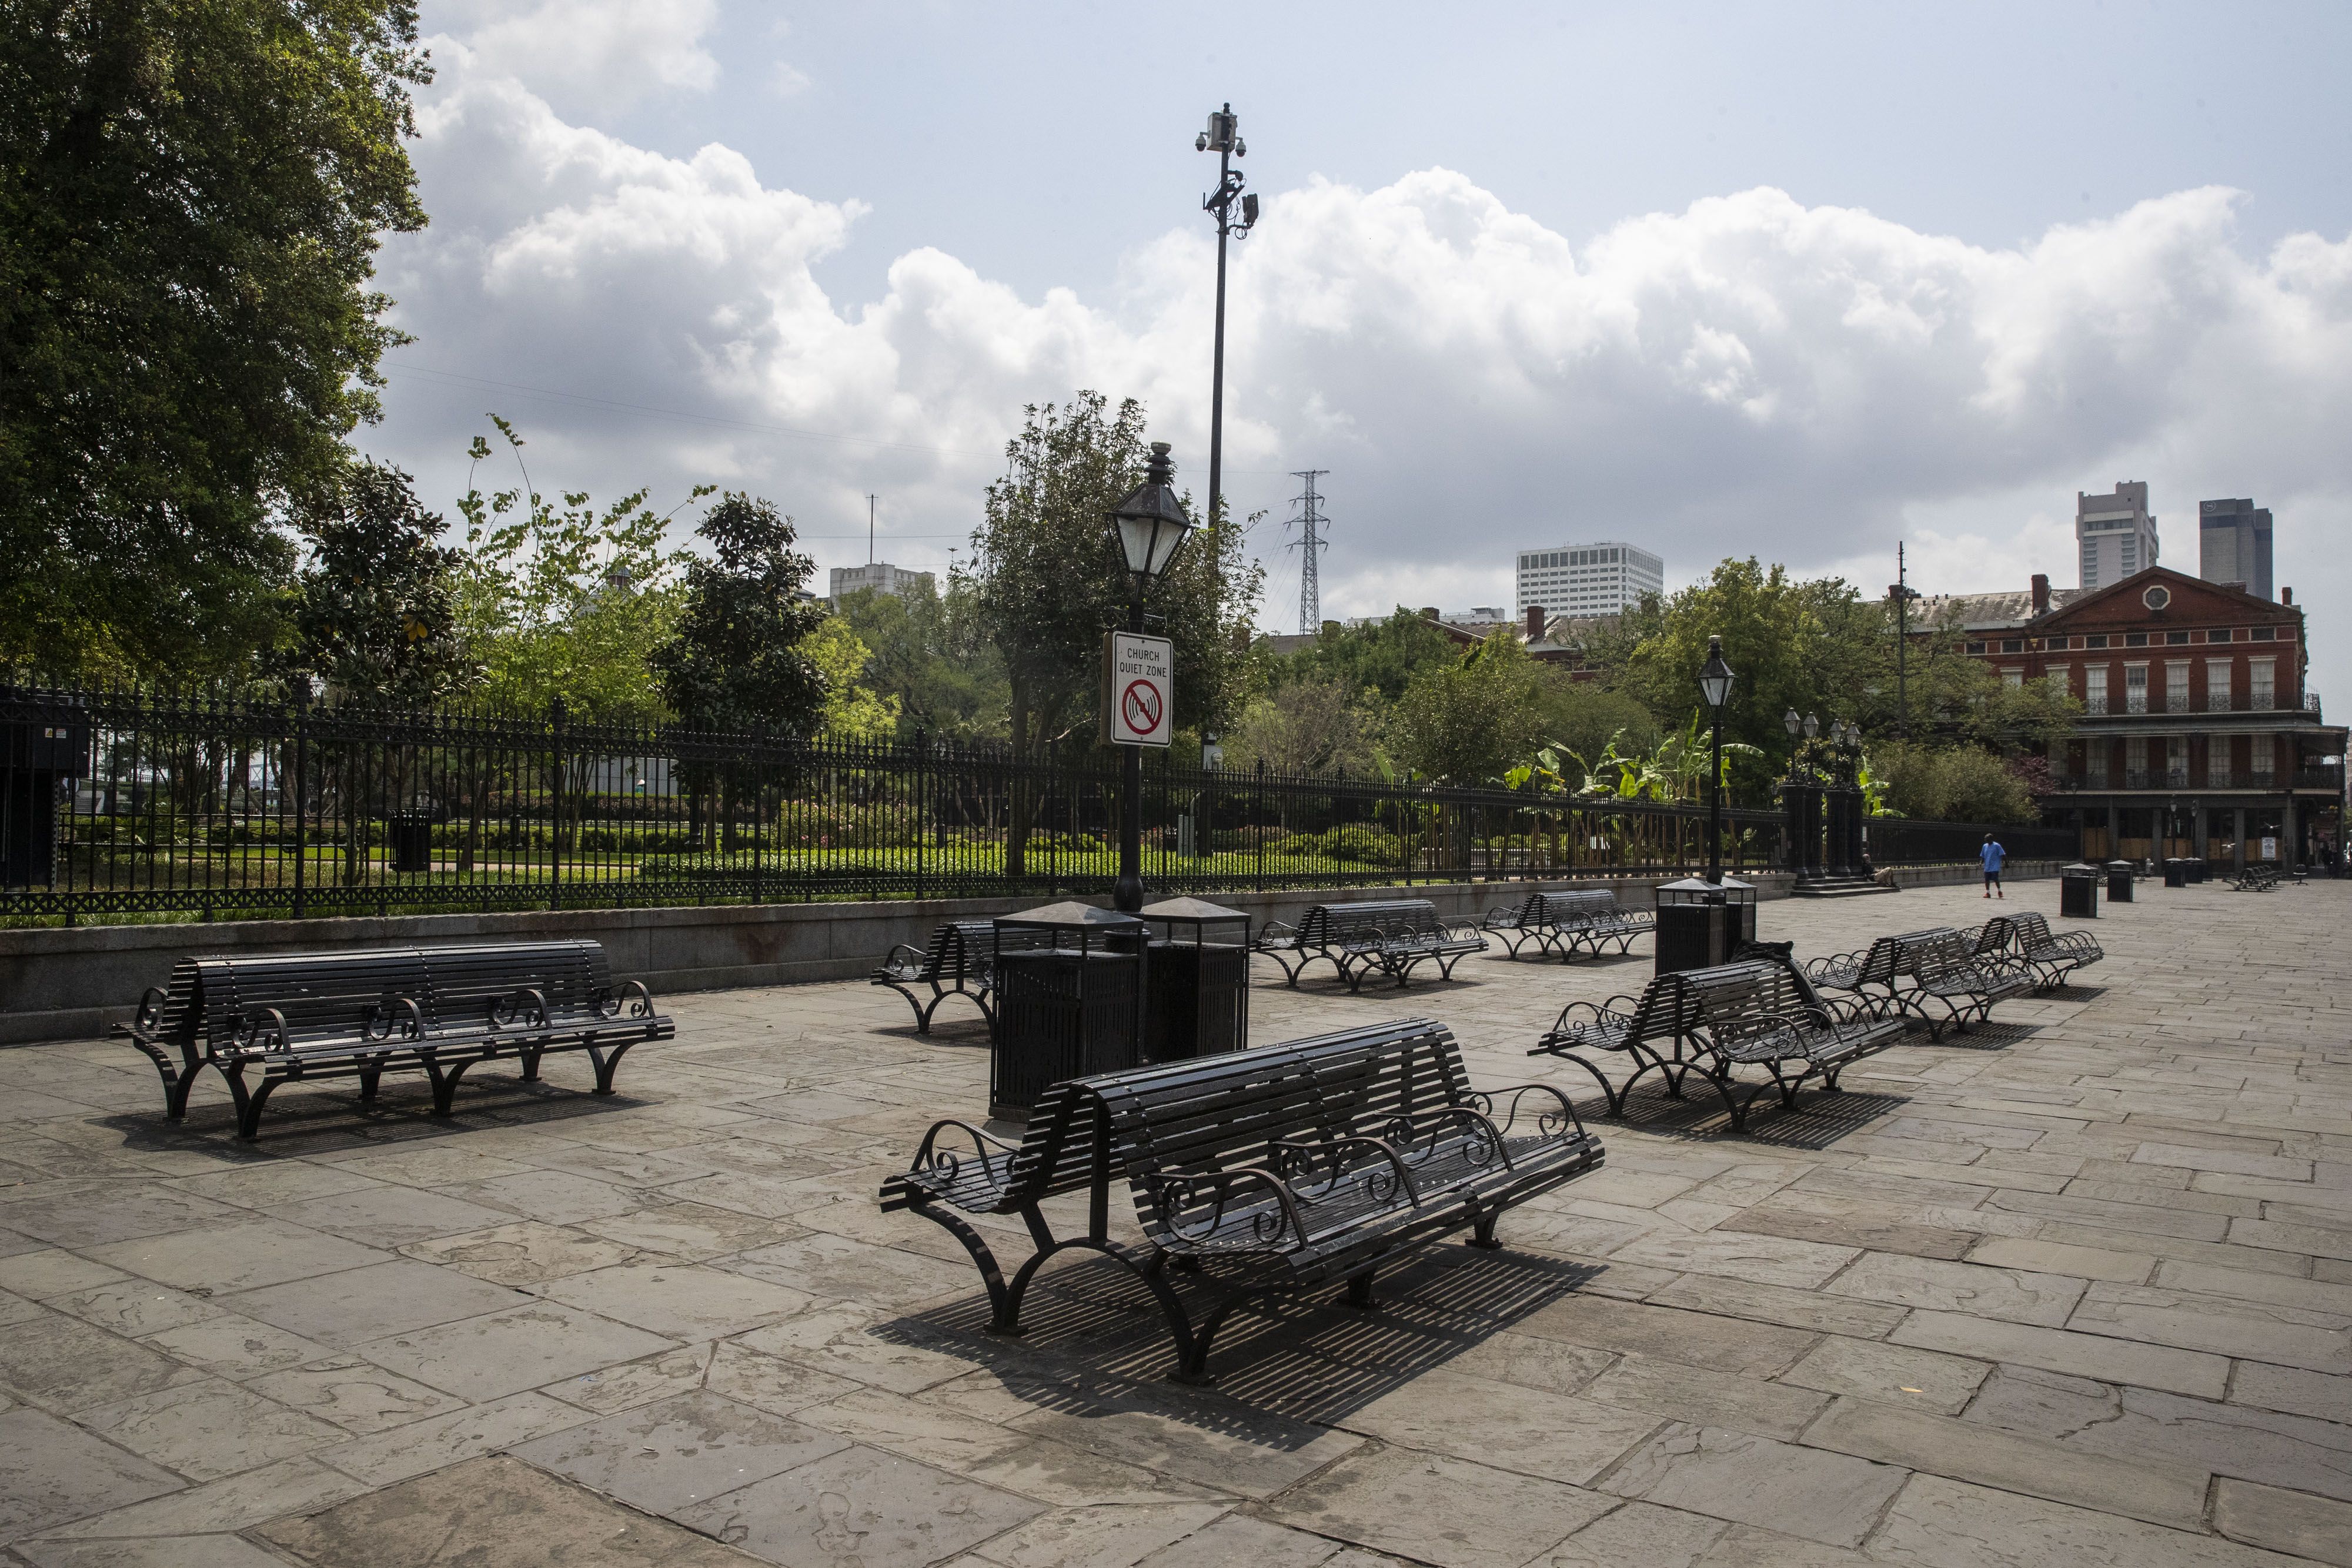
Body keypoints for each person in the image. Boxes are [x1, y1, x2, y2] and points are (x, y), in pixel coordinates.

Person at [1980, 833, 2006, 898]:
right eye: (1985, 839)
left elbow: (2003, 854)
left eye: (1987, 839)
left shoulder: (1997, 846)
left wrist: (2006, 863)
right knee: (1987, 880)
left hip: (1995, 866)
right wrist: (1981, 863)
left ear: (1991, 839)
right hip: (1987, 866)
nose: (1986, 840)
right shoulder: (1985, 846)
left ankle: (1999, 891)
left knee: (1995, 879)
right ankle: (1988, 893)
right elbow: (1983, 856)